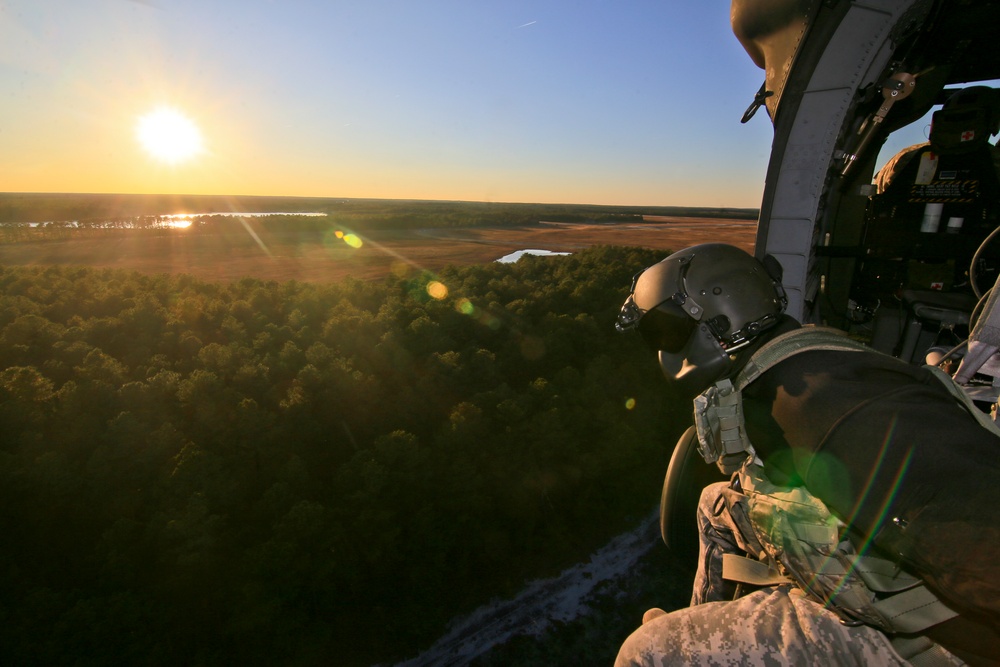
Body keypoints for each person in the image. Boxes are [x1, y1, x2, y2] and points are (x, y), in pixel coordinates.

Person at [613, 243, 1000, 666]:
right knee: (715, 504)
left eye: (665, 330)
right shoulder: (784, 367)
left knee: (647, 651)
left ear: (721, 316)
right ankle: (704, 622)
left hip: (939, 643)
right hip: (886, 579)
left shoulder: (824, 407)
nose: (663, 349)